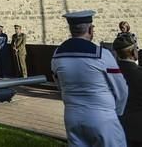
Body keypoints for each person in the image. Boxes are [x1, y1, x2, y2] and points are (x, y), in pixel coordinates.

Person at [51, 10, 128, 147]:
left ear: (71, 30)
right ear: (91, 29)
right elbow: (121, 89)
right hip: (102, 117)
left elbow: (59, 86)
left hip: (72, 116)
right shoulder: (102, 54)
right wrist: (118, 112)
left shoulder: (57, 55)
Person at [113, 33, 142, 146]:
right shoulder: (139, 74)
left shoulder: (110, 74)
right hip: (138, 131)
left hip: (115, 127)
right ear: (132, 52)